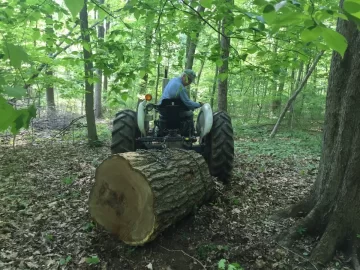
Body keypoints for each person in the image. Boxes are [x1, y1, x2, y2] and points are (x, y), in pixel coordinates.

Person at [158, 69, 203, 135]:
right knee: (190, 113)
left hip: (164, 111)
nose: (189, 83)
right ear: (184, 76)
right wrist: (199, 104)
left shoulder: (172, 80)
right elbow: (188, 104)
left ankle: (161, 130)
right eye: (189, 80)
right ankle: (190, 133)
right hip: (176, 113)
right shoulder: (181, 88)